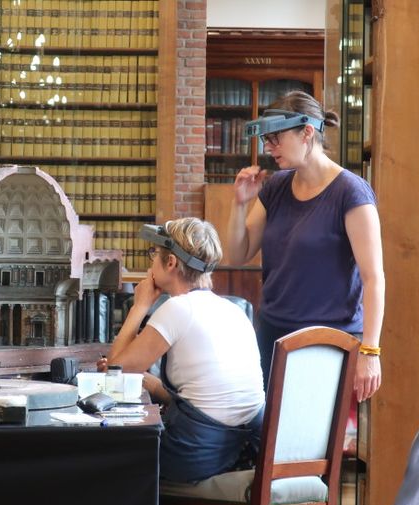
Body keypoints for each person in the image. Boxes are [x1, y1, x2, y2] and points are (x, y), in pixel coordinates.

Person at [226, 90, 384, 404]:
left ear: (307, 132)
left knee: (312, 433)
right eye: (266, 140)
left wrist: (370, 350)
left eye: (275, 139)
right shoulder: (276, 186)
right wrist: (240, 203)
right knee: (269, 431)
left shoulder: (350, 192)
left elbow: (374, 278)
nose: (268, 148)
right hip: (273, 335)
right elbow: (238, 254)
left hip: (327, 341)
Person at [98, 218, 265, 483]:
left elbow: (115, 370)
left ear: (171, 263)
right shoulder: (233, 311)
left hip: (197, 453)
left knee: (107, 457)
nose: (151, 264)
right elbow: (209, 397)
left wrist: (140, 306)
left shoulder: (178, 309)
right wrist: (148, 383)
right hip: (247, 451)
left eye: (154, 254)